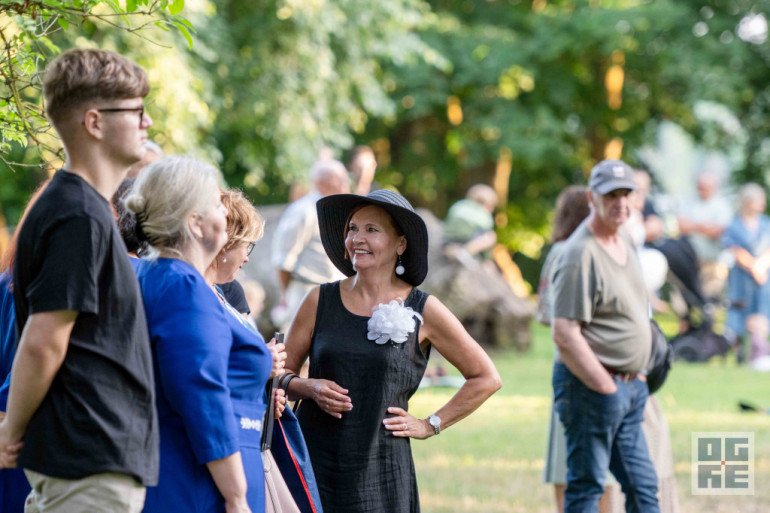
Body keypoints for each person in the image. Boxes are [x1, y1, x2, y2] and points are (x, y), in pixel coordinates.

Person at [0, 49, 158, 512]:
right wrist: (11, 431)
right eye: (136, 111)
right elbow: (45, 339)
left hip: (88, 463)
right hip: (86, 465)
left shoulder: (79, 208)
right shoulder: (78, 214)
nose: (147, 122)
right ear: (95, 122)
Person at [283, 189, 502, 512]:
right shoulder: (319, 300)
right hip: (314, 462)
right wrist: (308, 387)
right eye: (352, 228)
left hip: (383, 469)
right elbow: (276, 374)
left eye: (372, 230)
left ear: (400, 244)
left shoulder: (424, 309)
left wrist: (430, 424)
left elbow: (485, 377)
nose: (357, 238)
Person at [126, 157, 275, 513]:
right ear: (195, 223)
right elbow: (202, 396)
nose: (224, 212)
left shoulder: (156, 276)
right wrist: (236, 495)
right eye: (214, 204)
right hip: (200, 482)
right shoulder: (184, 288)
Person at [551, 160, 660, 513]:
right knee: (587, 487)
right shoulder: (579, 254)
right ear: (592, 197)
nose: (621, 202)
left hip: (630, 387)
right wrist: (607, 387)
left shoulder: (624, 238)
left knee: (644, 488)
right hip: (591, 389)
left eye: (626, 193)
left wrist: (638, 375)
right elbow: (565, 333)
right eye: (611, 194)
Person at [271, 159, 350, 329]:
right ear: (322, 182)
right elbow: (283, 260)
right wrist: (286, 295)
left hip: (333, 294)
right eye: (340, 178)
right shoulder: (304, 211)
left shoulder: (336, 210)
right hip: (305, 292)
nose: (346, 183)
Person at [722, 183, 770, 369]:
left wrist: (761, 266)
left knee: (762, 310)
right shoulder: (735, 224)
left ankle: (759, 351)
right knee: (740, 311)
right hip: (742, 276)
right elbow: (734, 249)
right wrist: (753, 266)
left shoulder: (766, 223)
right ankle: (740, 353)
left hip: (763, 277)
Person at [676, 170, 733, 299]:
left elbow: (719, 231)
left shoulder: (722, 205)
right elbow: (680, 226)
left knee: (709, 298)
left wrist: (693, 226)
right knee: (685, 297)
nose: (702, 190)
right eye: (700, 187)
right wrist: (703, 226)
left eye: (705, 187)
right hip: (689, 260)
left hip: (713, 261)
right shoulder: (688, 202)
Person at [443, 184, 499, 260]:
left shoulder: (458, 205)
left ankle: (452, 250)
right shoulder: (484, 214)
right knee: (491, 236)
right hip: (468, 243)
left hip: (448, 241)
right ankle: (465, 252)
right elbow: (486, 229)